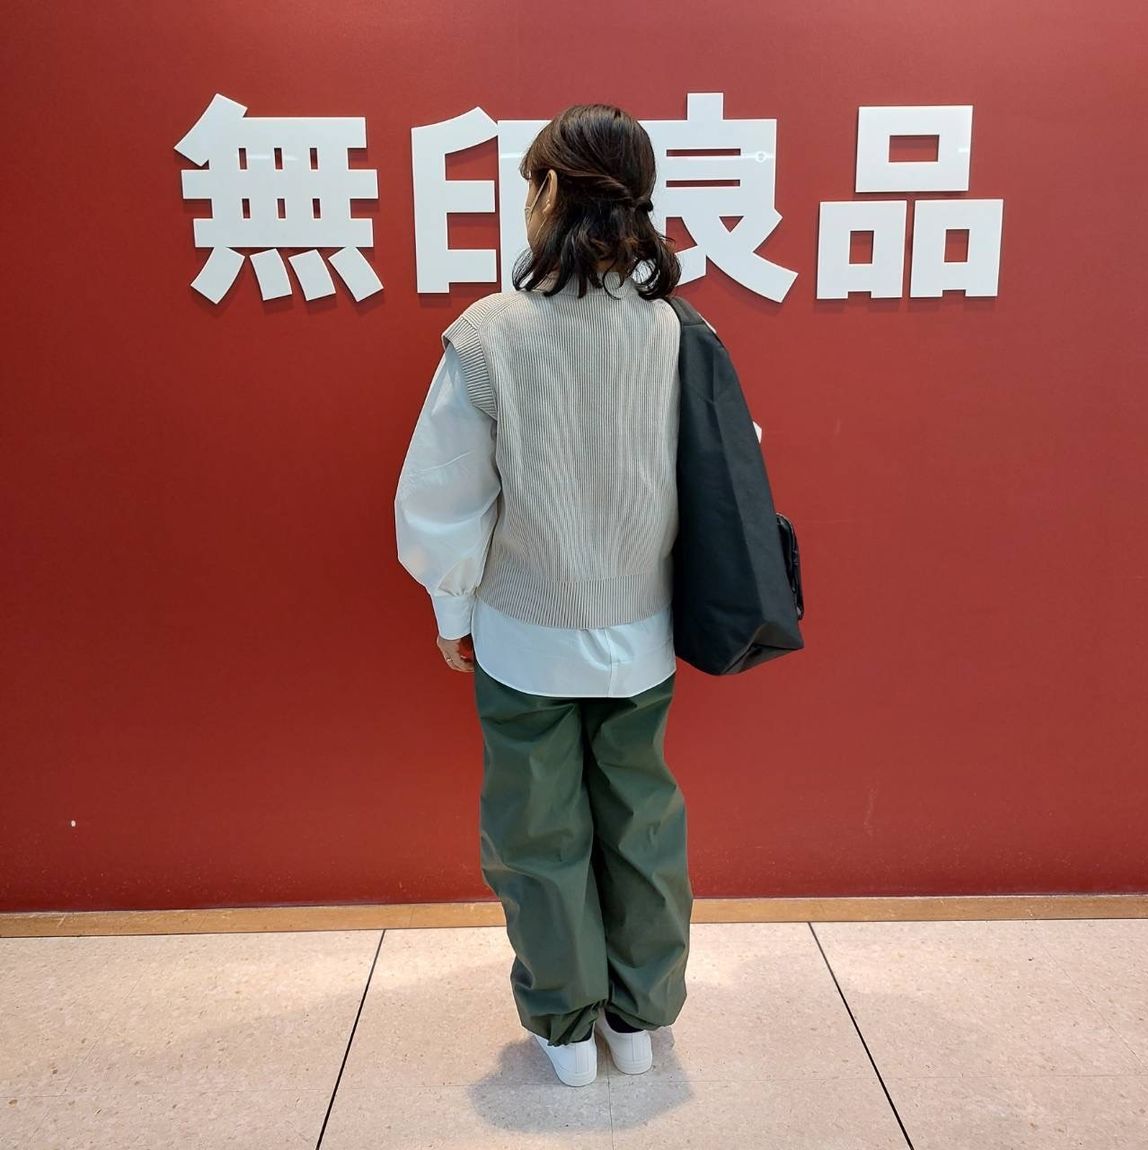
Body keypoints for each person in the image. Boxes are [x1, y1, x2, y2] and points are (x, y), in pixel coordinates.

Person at [395, 103, 693, 1088]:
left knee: (539, 831)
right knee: (641, 822)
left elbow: (443, 498)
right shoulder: (671, 329)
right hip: (641, 630)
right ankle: (638, 1022)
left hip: (524, 630)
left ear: (550, 190)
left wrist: (451, 612)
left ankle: (565, 1031)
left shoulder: (491, 335)